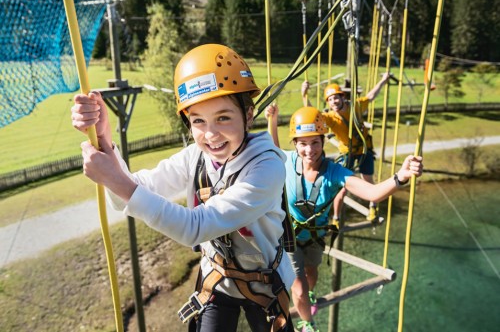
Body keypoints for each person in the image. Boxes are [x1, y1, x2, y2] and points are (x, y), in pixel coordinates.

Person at [71, 44, 296, 332]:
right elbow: (133, 192)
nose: (211, 134)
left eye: (223, 117)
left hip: (265, 285)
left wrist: (115, 179)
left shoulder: (267, 168)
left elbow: (196, 226)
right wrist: (104, 139)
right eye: (198, 121)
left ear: (249, 115)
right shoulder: (196, 158)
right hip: (218, 279)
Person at [265, 104, 423, 332]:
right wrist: (273, 119)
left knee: (311, 272)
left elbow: (372, 193)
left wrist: (401, 176)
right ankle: (308, 323)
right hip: (289, 238)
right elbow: (272, 149)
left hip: (316, 237)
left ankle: (309, 294)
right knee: (297, 288)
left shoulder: (334, 172)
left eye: (315, 143)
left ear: (323, 142)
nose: (309, 150)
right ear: (296, 144)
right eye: (302, 143)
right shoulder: (288, 162)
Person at [301, 73, 391, 222]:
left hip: (363, 149)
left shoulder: (355, 106)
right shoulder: (330, 117)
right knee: (341, 187)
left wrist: (382, 80)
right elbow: (313, 114)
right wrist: (304, 95)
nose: (334, 102)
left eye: (336, 97)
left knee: (368, 181)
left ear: (343, 98)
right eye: (330, 100)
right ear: (328, 103)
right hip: (347, 151)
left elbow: (371, 96)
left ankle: (373, 208)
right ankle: (336, 217)